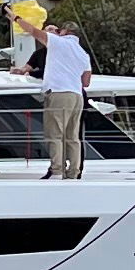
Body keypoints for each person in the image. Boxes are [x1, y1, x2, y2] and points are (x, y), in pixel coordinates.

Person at [39, 18, 93, 179]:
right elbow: (86, 82)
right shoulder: (83, 53)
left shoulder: (58, 43)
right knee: (73, 137)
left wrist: (16, 18)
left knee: (55, 134)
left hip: (59, 93)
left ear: (65, 32)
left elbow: (34, 32)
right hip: (77, 96)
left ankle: (57, 170)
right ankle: (74, 172)